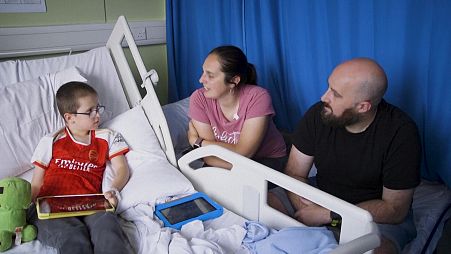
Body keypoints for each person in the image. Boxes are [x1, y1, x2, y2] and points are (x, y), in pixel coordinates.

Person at [270, 58, 421, 254]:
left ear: (363, 107)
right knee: (261, 204)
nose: (324, 97)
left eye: (335, 94)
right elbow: (294, 173)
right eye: (328, 87)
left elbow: (394, 210)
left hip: (373, 212)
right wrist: (306, 210)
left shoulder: (401, 133)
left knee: (378, 251)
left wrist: (329, 216)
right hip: (320, 193)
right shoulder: (320, 114)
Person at [27, 81, 131, 254]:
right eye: (90, 111)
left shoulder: (107, 137)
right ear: (70, 117)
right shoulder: (51, 141)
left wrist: (113, 189)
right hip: (50, 207)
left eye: (98, 108)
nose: (97, 115)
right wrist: (22, 209)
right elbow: (36, 183)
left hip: (91, 204)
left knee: (107, 228)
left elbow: (122, 169)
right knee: (73, 237)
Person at [187, 45, 287, 173]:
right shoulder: (199, 99)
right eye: (203, 72)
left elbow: (244, 153)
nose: (201, 80)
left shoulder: (258, 97)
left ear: (234, 80)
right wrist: (208, 151)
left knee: (239, 187)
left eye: (210, 76)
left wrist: (197, 142)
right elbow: (209, 157)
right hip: (228, 161)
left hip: (267, 159)